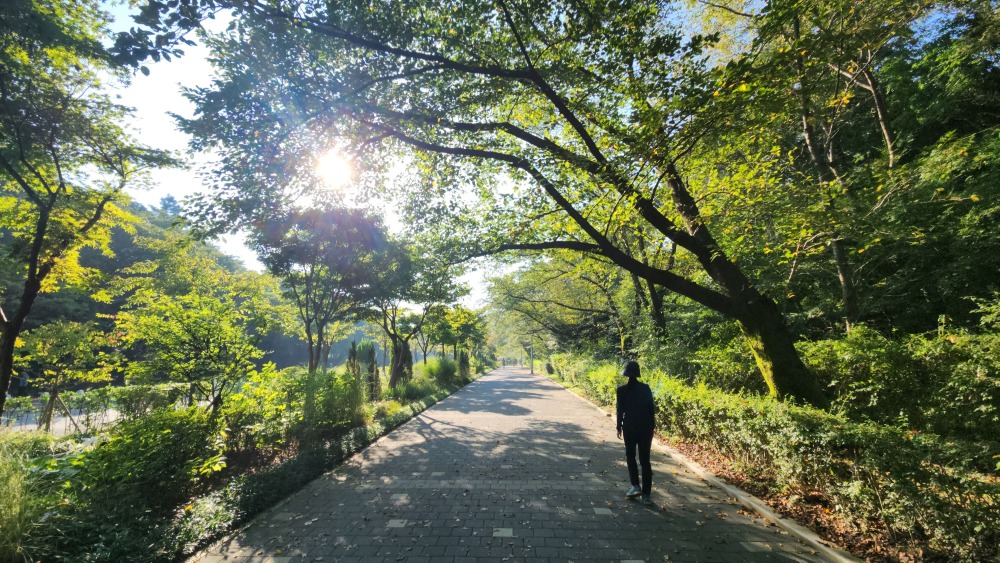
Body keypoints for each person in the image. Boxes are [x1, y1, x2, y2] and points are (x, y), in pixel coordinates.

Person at [616, 360, 655, 505]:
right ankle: (646, 495)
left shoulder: (621, 390)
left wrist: (618, 427)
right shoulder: (646, 388)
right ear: (638, 374)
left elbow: (620, 410)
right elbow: (651, 409)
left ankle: (635, 486)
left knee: (630, 456)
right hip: (645, 428)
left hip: (630, 427)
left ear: (626, 374)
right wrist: (652, 427)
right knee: (645, 461)